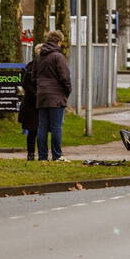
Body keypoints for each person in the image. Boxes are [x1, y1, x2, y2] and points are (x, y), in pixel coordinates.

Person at [35, 30, 72, 161]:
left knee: (42, 126)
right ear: (59, 41)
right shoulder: (58, 56)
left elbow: (34, 75)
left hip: (41, 95)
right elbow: (65, 77)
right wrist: (67, 91)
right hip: (56, 96)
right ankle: (57, 155)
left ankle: (42, 156)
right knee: (56, 126)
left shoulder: (39, 56)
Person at [19, 45, 42, 160]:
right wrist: (36, 94)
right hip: (32, 103)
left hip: (37, 102)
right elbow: (25, 84)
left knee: (38, 130)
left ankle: (37, 153)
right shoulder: (30, 67)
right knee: (33, 130)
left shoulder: (41, 66)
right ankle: (31, 153)